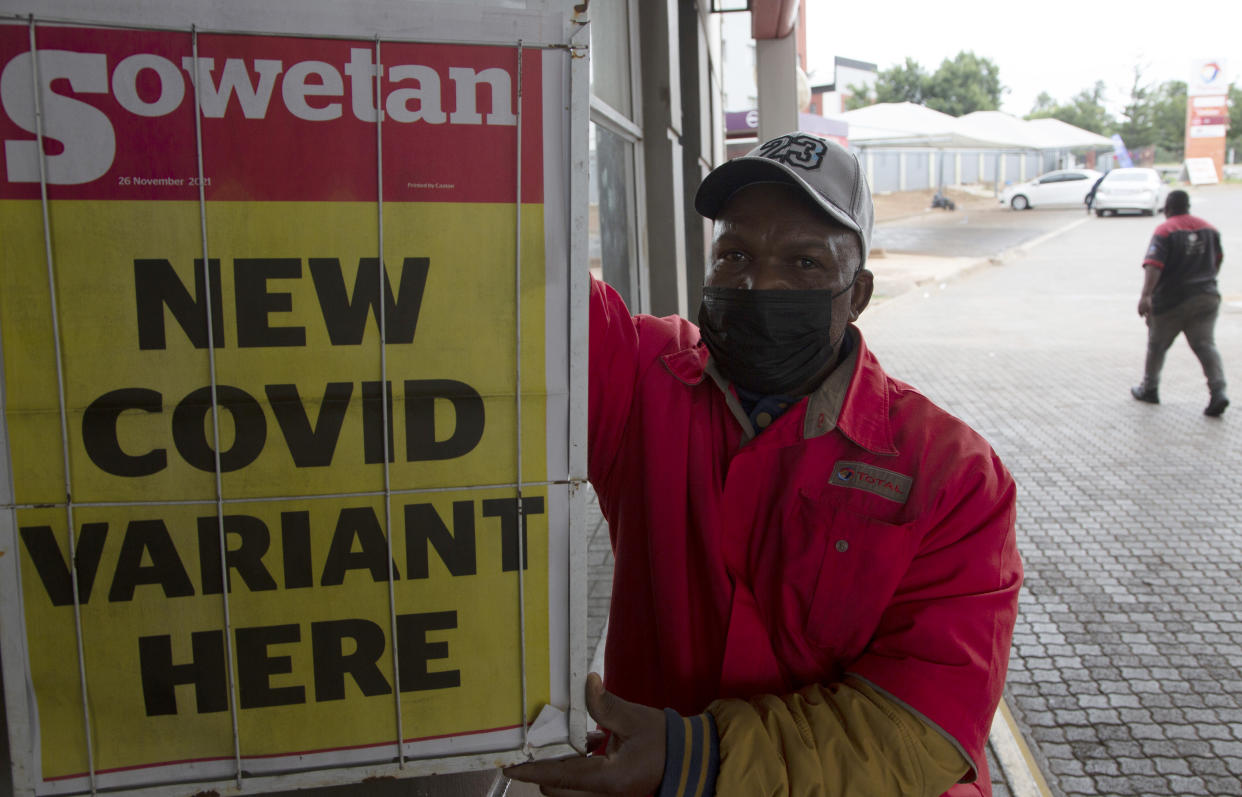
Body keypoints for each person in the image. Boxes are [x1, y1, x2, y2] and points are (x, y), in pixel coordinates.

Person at [505, 133, 1022, 797]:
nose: (760, 283)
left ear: (857, 293)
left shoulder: (952, 474)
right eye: (735, 254)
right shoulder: (643, 380)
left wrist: (695, 757)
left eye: (804, 263)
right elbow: (532, 295)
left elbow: (919, 729)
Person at [1131, 189, 1228, 416]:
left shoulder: (1166, 230)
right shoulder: (1210, 228)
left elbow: (1154, 264)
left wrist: (1146, 296)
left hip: (1171, 300)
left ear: (1168, 207)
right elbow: (1217, 262)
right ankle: (1218, 391)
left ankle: (1150, 388)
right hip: (1206, 296)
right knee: (1205, 345)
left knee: (1157, 346)